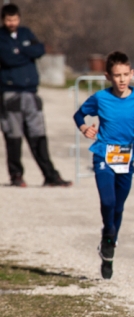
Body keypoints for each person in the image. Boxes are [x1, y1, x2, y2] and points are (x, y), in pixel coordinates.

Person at [73, 51, 134, 280]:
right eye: (116, 75)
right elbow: (79, 115)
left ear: (132, 74)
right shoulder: (100, 98)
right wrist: (85, 129)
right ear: (108, 76)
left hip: (126, 157)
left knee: (119, 205)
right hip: (103, 154)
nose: (122, 80)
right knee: (108, 200)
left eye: (125, 75)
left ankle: (108, 247)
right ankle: (109, 234)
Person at [0, 3, 71, 187]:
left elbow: (39, 50)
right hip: (10, 93)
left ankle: (50, 176)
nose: (12, 22)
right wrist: (25, 52)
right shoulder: (1, 37)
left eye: (15, 19)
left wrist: (20, 51)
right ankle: (16, 175)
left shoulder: (26, 33)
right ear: (3, 20)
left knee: (38, 135)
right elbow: (7, 58)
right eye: (8, 19)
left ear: (19, 18)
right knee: (13, 136)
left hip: (30, 92)